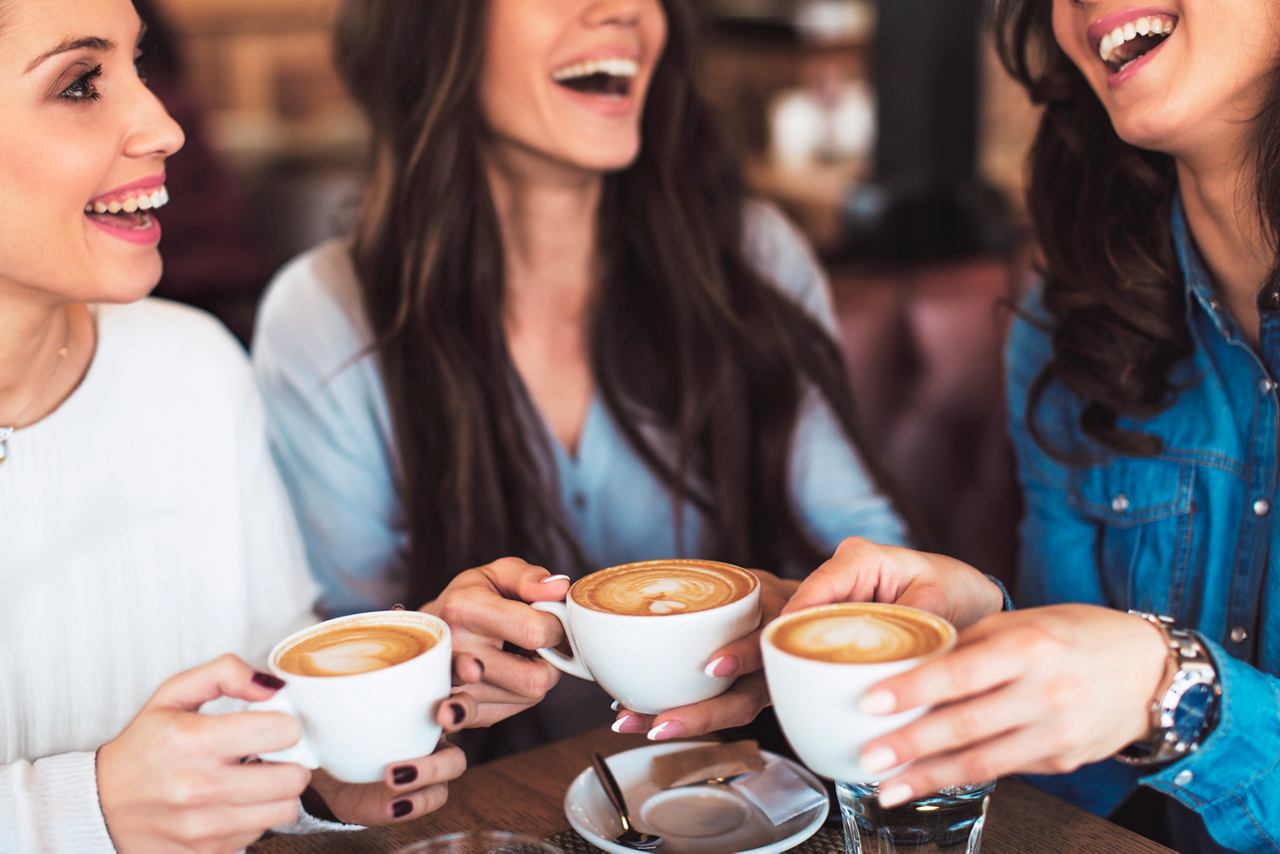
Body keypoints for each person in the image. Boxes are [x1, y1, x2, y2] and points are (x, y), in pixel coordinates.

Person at [253, 0, 908, 761]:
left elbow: (881, 564)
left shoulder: (751, 258)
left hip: (747, 796)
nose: (628, 9)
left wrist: (807, 615)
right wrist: (433, 645)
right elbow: (338, 664)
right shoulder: (326, 315)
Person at [777, 1, 1280, 851]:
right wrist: (979, 631)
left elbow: (1141, 696)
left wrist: (1177, 696)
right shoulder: (1072, 319)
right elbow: (1075, 778)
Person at [0, 1, 475, 849]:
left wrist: (343, 751)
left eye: (135, 67)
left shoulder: (194, 370)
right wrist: (82, 809)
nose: (163, 125)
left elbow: (260, 714)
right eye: (80, 84)